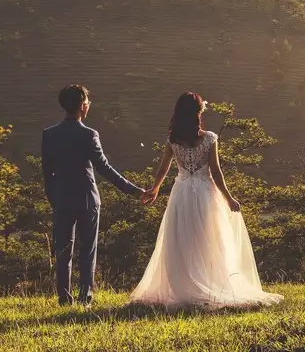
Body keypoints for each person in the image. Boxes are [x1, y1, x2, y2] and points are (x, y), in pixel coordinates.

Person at [129, 92, 283, 309]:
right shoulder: (209, 138)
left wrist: (155, 189)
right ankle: (209, 283)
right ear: (198, 112)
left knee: (182, 239)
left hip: (181, 192)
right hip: (205, 193)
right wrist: (228, 198)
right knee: (208, 238)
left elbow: (163, 167)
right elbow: (215, 171)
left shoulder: (173, 140)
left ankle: (185, 285)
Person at [41, 84, 145, 306]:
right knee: (87, 251)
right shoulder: (89, 135)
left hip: (61, 199)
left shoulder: (49, 135)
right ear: (81, 106)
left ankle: (64, 299)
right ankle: (85, 298)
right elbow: (104, 168)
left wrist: (53, 197)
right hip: (87, 199)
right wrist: (134, 190)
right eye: (87, 102)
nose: (89, 105)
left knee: (63, 251)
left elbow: (47, 172)